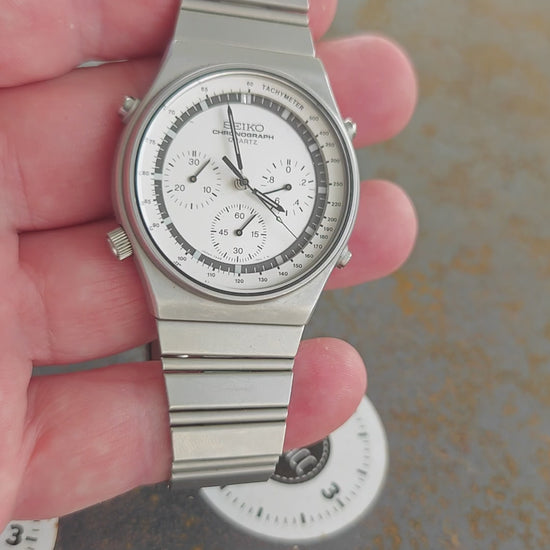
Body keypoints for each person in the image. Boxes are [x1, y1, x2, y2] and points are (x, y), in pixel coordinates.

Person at [0, 0, 418, 528]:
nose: (243, 184)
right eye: (238, 179)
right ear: (134, 112)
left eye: (247, 182)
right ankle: (218, 451)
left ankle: (225, 452)